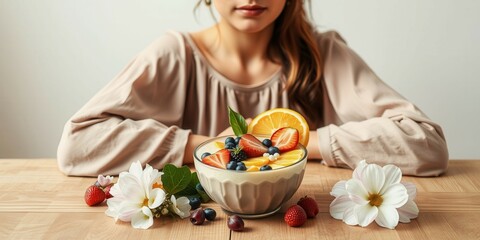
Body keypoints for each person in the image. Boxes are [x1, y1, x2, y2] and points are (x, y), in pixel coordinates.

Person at [57, 0, 448, 177]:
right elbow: (78, 143)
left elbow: (426, 142)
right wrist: (210, 146)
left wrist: (282, 143)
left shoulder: (324, 53)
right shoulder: (175, 54)